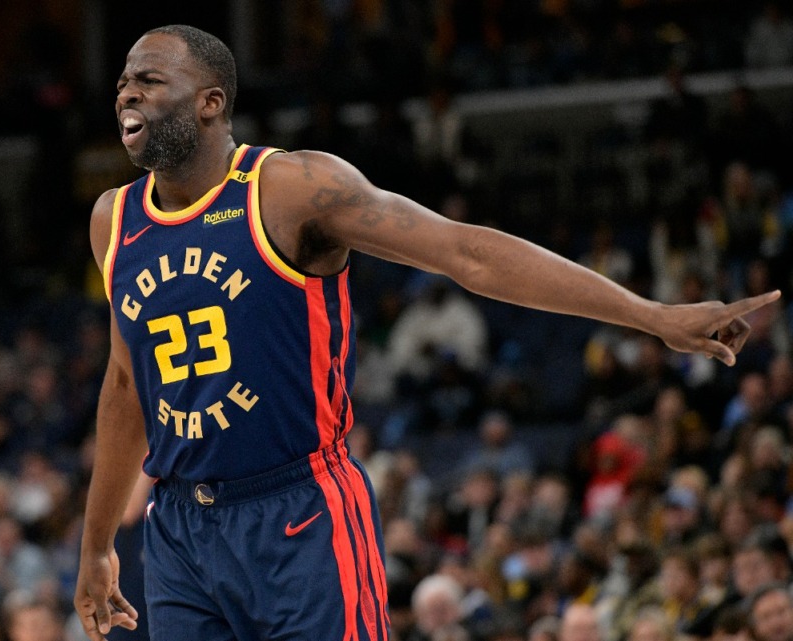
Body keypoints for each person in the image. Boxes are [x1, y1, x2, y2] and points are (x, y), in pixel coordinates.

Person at [73, 24, 782, 641]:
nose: (126, 93)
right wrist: (99, 542)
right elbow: (127, 383)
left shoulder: (290, 190)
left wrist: (653, 315)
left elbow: (467, 253)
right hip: (179, 531)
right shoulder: (115, 219)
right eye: (122, 82)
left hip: (298, 512)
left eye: (149, 79)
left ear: (210, 103)